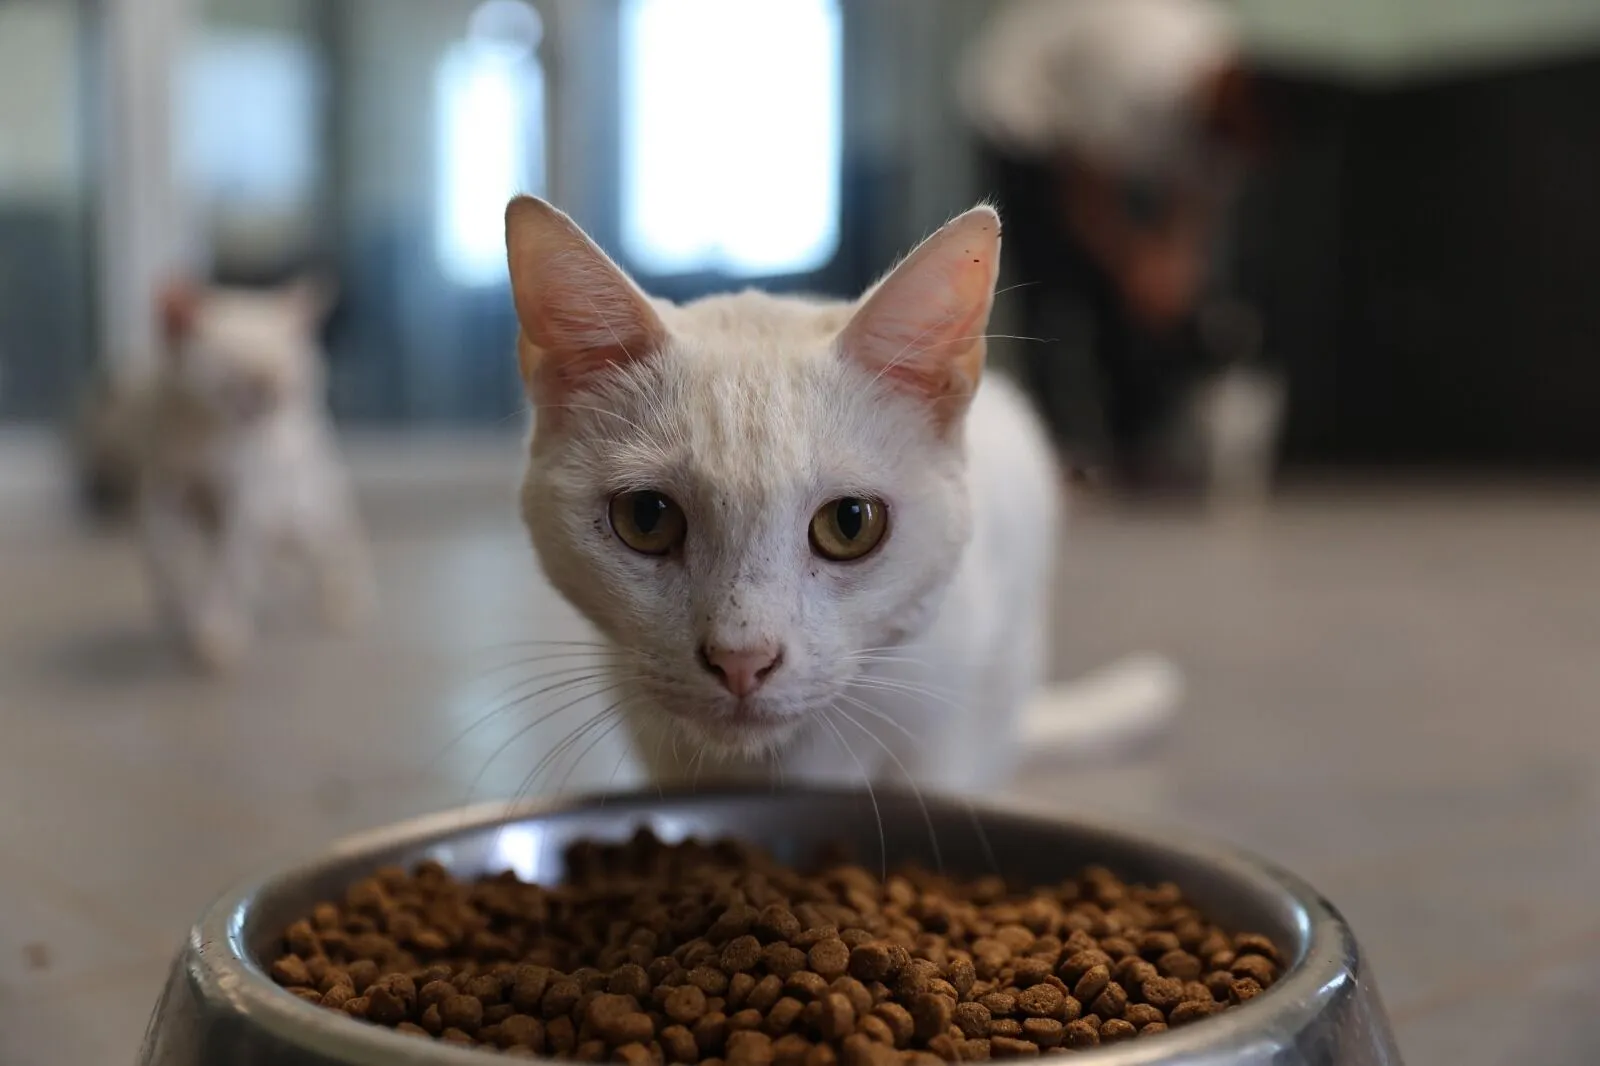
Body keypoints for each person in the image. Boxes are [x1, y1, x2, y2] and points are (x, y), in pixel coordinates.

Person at [959, 0, 1265, 492]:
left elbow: (1200, 189)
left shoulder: (1237, 110)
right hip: (1024, 109)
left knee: (1142, 302)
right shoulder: (1139, 73)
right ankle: (1059, 455)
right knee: (1054, 288)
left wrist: (1172, 265)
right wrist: (1135, 267)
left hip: (1108, 138)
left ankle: (1134, 450)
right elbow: (1083, 196)